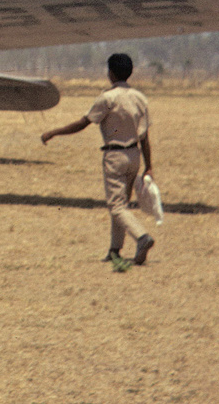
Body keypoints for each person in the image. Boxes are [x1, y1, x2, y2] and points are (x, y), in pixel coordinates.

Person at [39, 53, 154, 269]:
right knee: (122, 205)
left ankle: (142, 237)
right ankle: (114, 250)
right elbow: (145, 136)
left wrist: (54, 132)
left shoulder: (107, 98)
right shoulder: (140, 98)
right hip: (134, 155)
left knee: (116, 206)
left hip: (115, 155)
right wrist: (149, 166)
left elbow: (83, 124)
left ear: (110, 73)